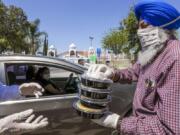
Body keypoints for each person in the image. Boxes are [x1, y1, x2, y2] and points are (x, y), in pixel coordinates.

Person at [88, 0, 180, 134]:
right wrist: (113, 73)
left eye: (144, 25)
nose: (139, 32)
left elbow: (168, 129)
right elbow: (134, 71)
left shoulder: (175, 58)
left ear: (162, 27)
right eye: (139, 27)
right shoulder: (152, 51)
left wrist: (117, 122)